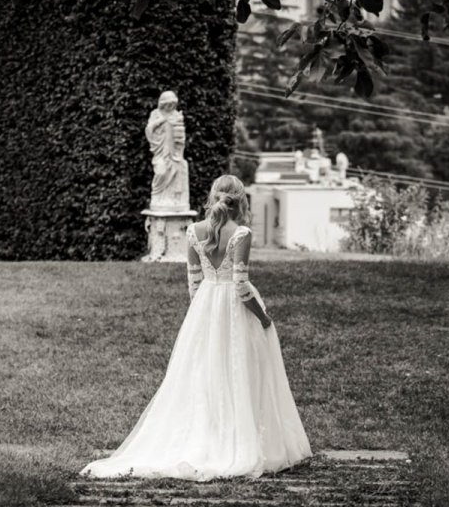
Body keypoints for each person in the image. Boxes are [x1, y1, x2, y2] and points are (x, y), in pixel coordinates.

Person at [80, 174, 312, 481]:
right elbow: (241, 287)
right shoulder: (241, 234)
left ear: (213, 196)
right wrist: (264, 318)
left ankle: (205, 435)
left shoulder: (193, 231)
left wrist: (202, 316)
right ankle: (239, 440)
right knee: (239, 372)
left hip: (204, 308)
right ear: (239, 200)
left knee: (204, 374)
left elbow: (194, 284)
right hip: (234, 310)